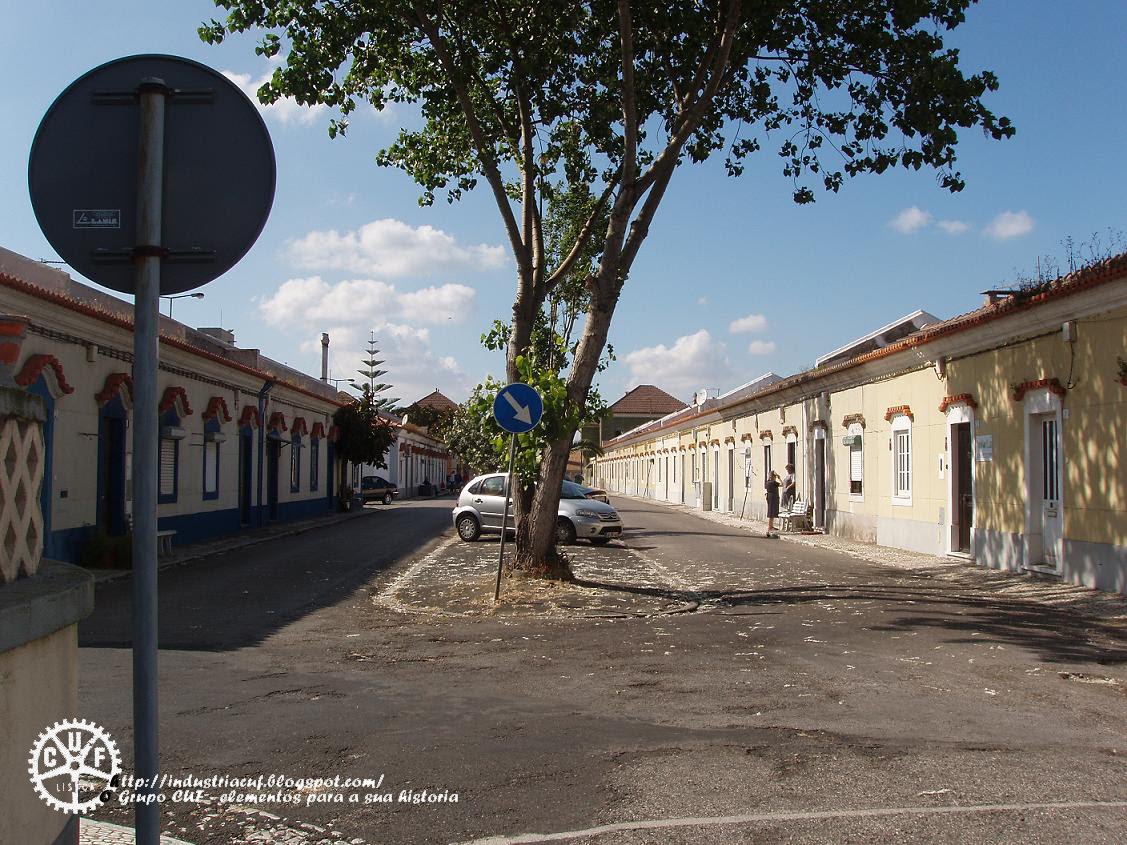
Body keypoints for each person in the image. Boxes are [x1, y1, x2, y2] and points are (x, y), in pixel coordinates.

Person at [765, 470, 781, 537]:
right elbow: (782, 484)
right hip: (773, 497)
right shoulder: (773, 482)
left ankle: (770, 526)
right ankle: (770, 526)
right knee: (772, 512)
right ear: (774, 477)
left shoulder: (768, 482)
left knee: (770, 511)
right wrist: (779, 477)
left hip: (769, 496)